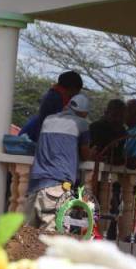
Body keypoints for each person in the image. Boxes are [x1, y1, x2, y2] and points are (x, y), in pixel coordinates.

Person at [24, 93, 93, 232]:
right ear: (83, 112)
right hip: (58, 183)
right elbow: (85, 154)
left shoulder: (48, 120)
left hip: (36, 182)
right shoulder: (81, 123)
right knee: (52, 233)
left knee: (27, 234)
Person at [20, 71, 84, 142]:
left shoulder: (56, 95)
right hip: (34, 137)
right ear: (71, 88)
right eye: (77, 91)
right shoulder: (55, 98)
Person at [88, 99, 127, 164]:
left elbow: (118, 154)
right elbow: (96, 154)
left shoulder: (122, 131)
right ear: (106, 113)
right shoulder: (96, 127)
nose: (118, 119)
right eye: (114, 115)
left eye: (122, 116)